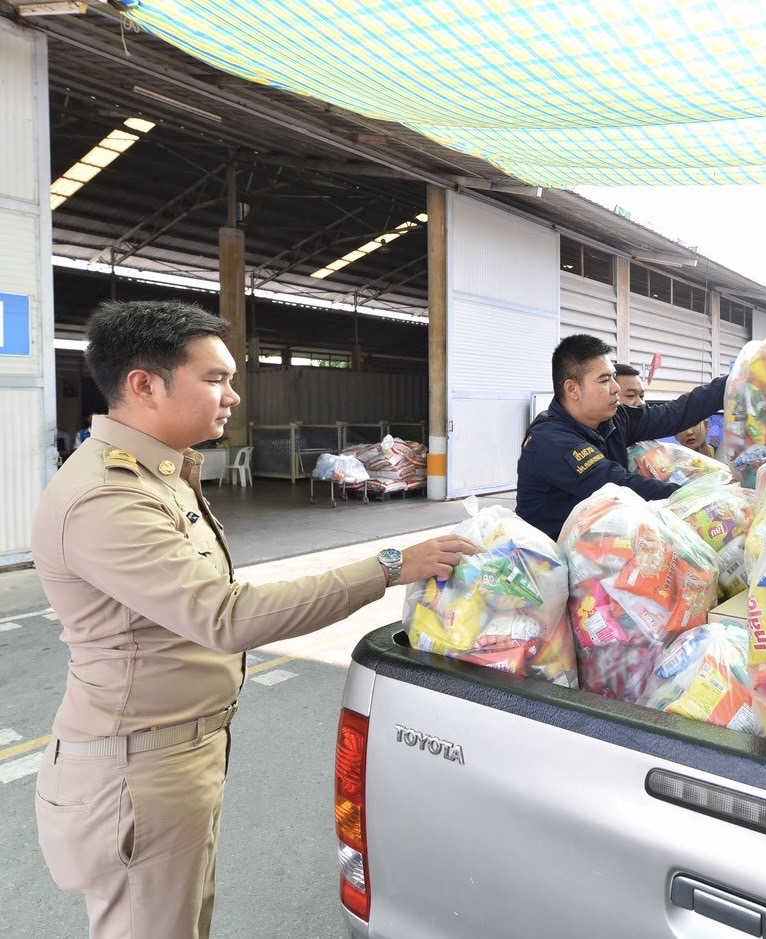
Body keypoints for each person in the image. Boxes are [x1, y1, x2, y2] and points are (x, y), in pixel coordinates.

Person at [30, 300, 474, 939]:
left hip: (174, 753)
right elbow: (224, 616)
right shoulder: (109, 496)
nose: (233, 396)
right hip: (136, 773)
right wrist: (388, 564)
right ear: (144, 385)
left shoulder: (162, 475)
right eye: (215, 380)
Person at [517, 334, 725, 540]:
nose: (616, 388)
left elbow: (673, 414)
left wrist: (732, 384)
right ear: (572, 389)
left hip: (604, 543)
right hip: (554, 561)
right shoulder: (550, 440)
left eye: (613, 378)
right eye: (605, 380)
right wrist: (704, 498)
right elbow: (619, 485)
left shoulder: (614, 419)